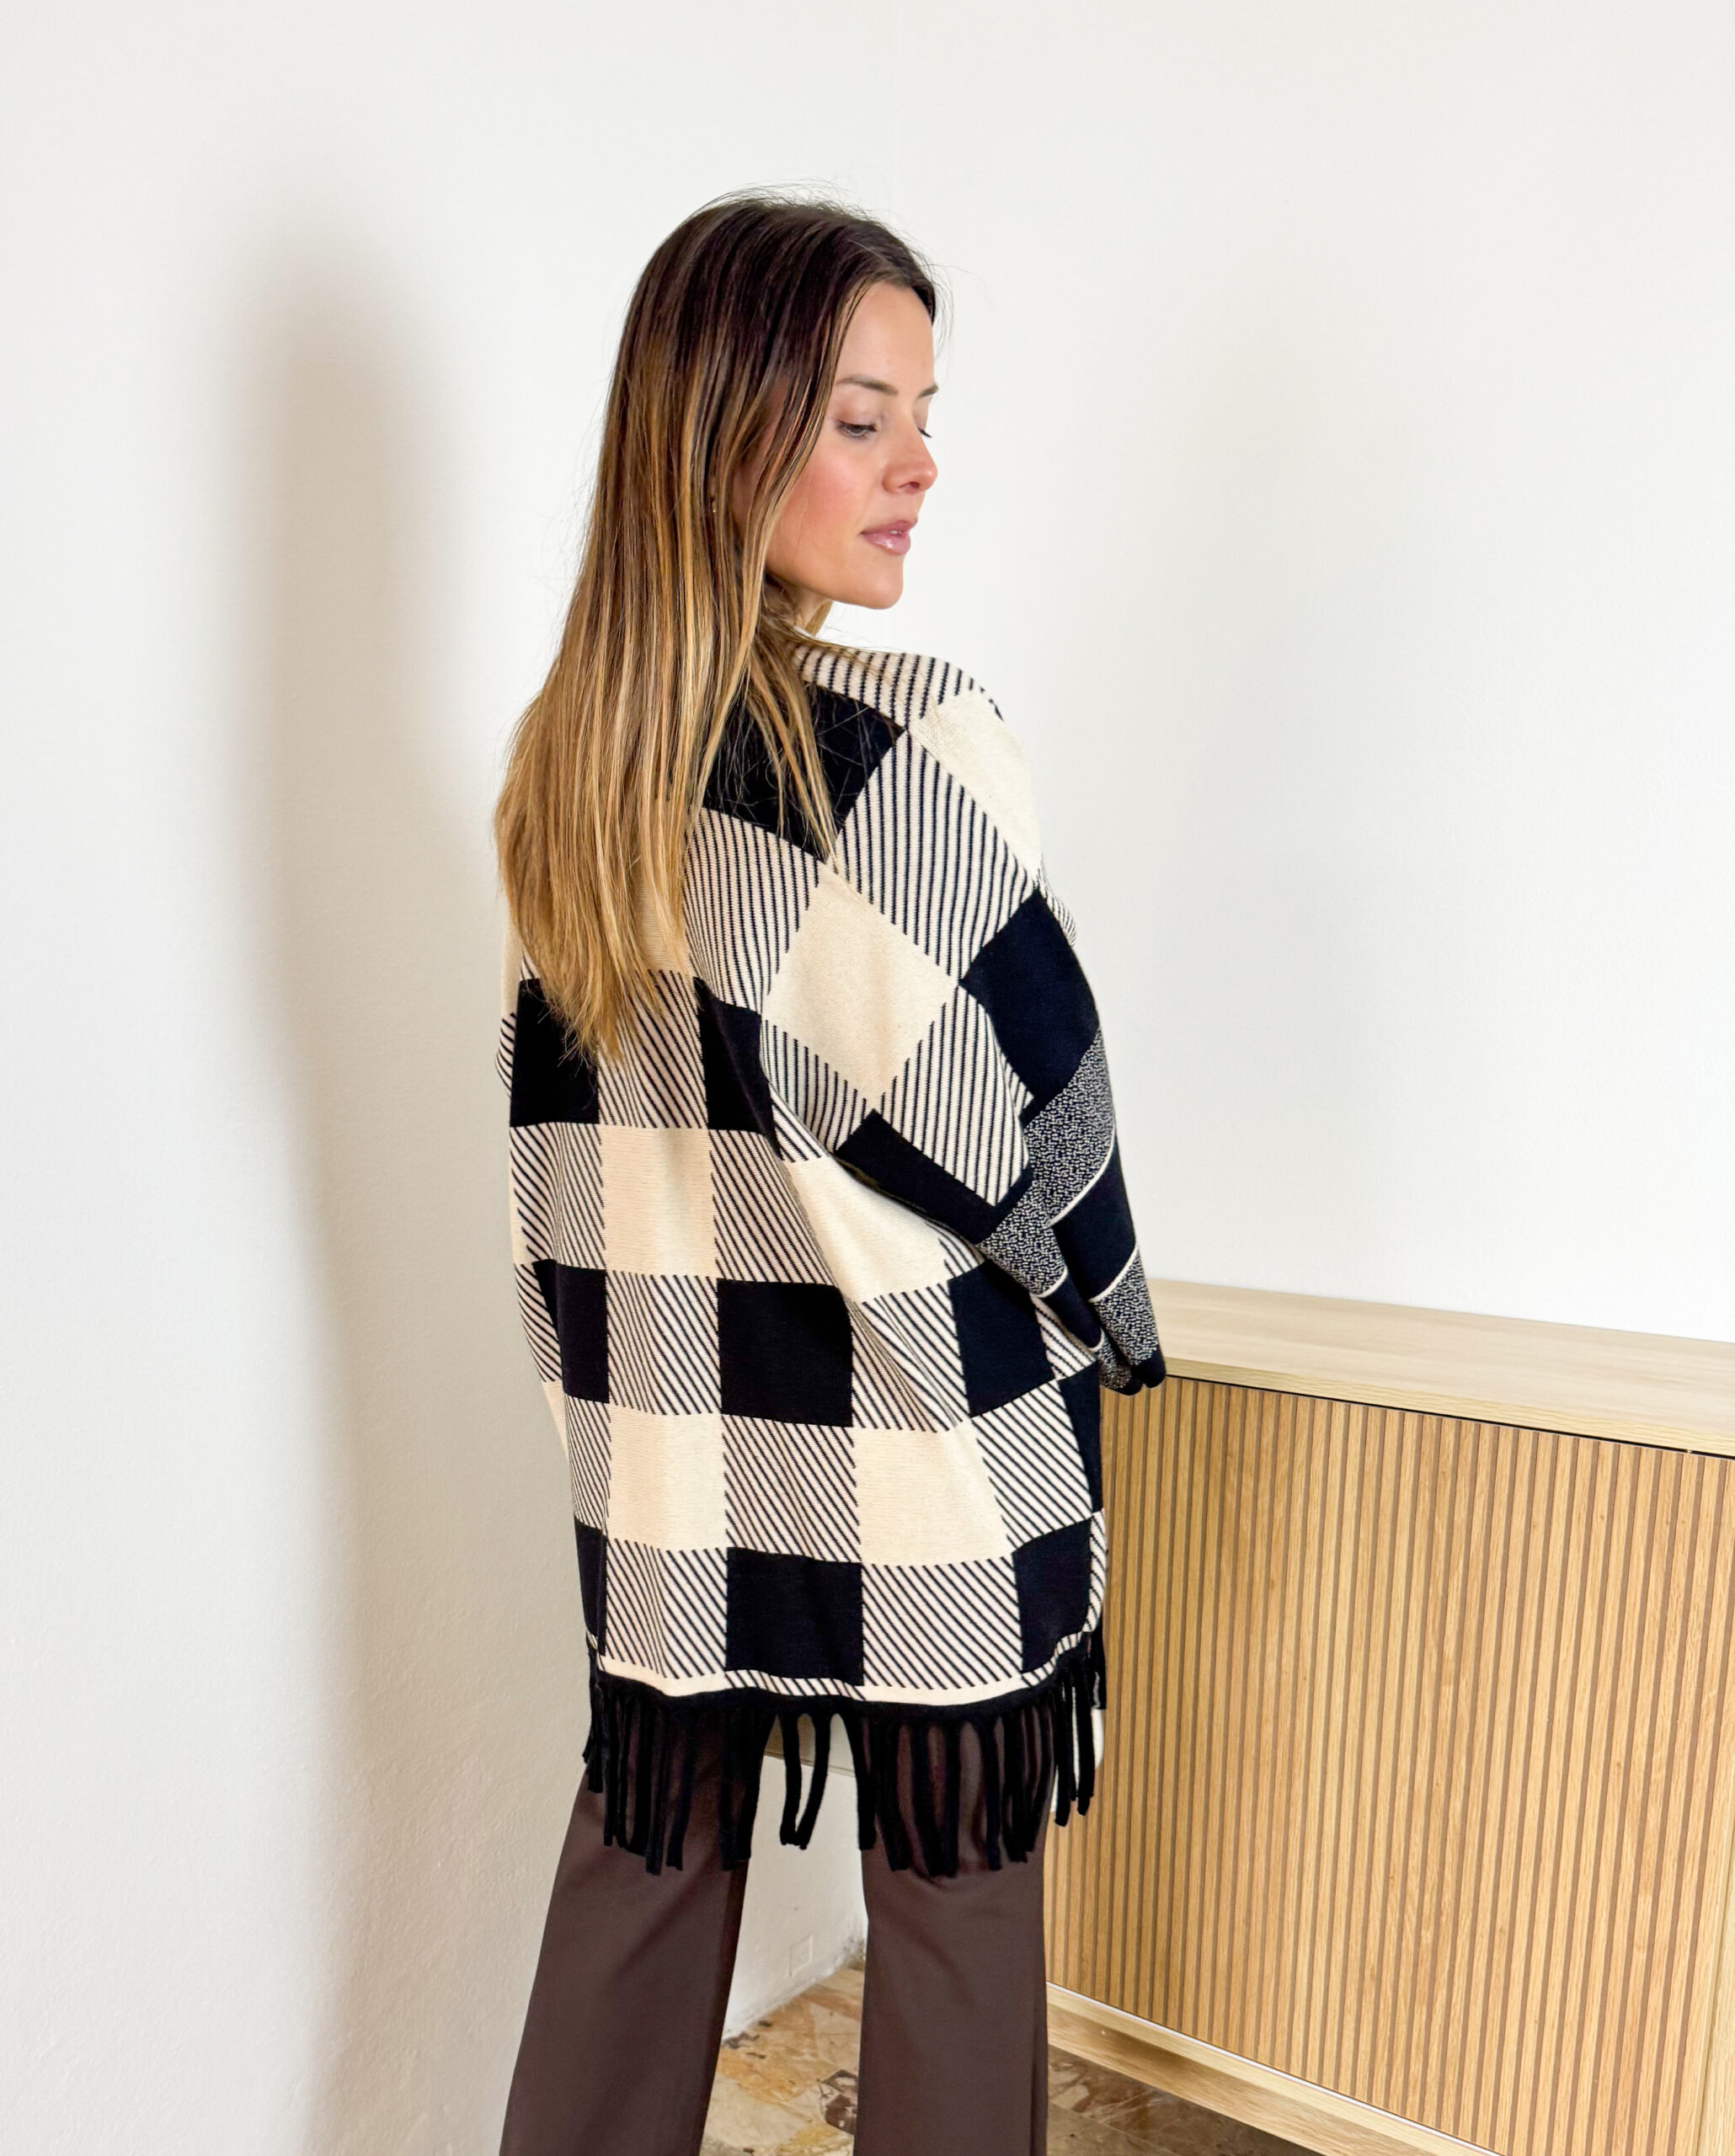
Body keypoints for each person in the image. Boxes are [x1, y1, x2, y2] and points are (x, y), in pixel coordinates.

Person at [490, 189, 1166, 2156]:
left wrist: (605, 1405)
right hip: (921, 1441)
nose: (917, 465)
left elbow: (549, 1158)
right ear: (725, 435)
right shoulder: (905, 746)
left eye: (922, 417)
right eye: (862, 419)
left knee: (641, 1867)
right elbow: (1038, 1123)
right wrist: (1120, 1313)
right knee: (955, 1907)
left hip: (672, 1451)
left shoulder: (570, 769)